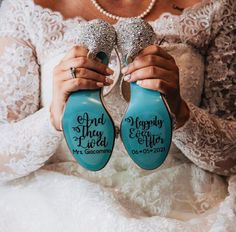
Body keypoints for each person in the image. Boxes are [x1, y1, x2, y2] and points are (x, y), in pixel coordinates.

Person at [0, 0, 235, 231]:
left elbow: (231, 155)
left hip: (183, 194)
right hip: (64, 196)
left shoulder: (215, 7)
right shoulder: (26, 10)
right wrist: (52, 116)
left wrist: (180, 111)